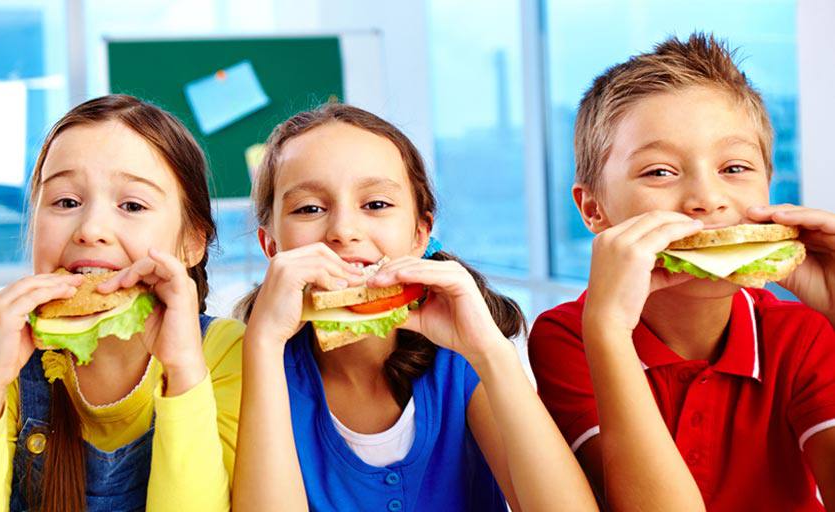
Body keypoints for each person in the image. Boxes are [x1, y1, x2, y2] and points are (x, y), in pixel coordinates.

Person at [232, 103, 597, 511]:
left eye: (376, 205)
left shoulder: (459, 362)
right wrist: (262, 344)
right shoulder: (248, 372)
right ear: (271, 246)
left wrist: (492, 352)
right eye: (310, 209)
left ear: (419, 235)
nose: (344, 232)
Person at [529, 33, 835, 511]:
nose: (706, 199)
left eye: (734, 168)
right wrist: (608, 332)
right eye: (659, 172)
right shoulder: (571, 337)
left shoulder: (803, 334)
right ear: (593, 210)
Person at [0, 95, 243, 512]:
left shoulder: (227, 352)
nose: (91, 229)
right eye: (66, 202)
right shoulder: (1, 352)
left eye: (132, 205)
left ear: (192, 242)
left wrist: (183, 372)